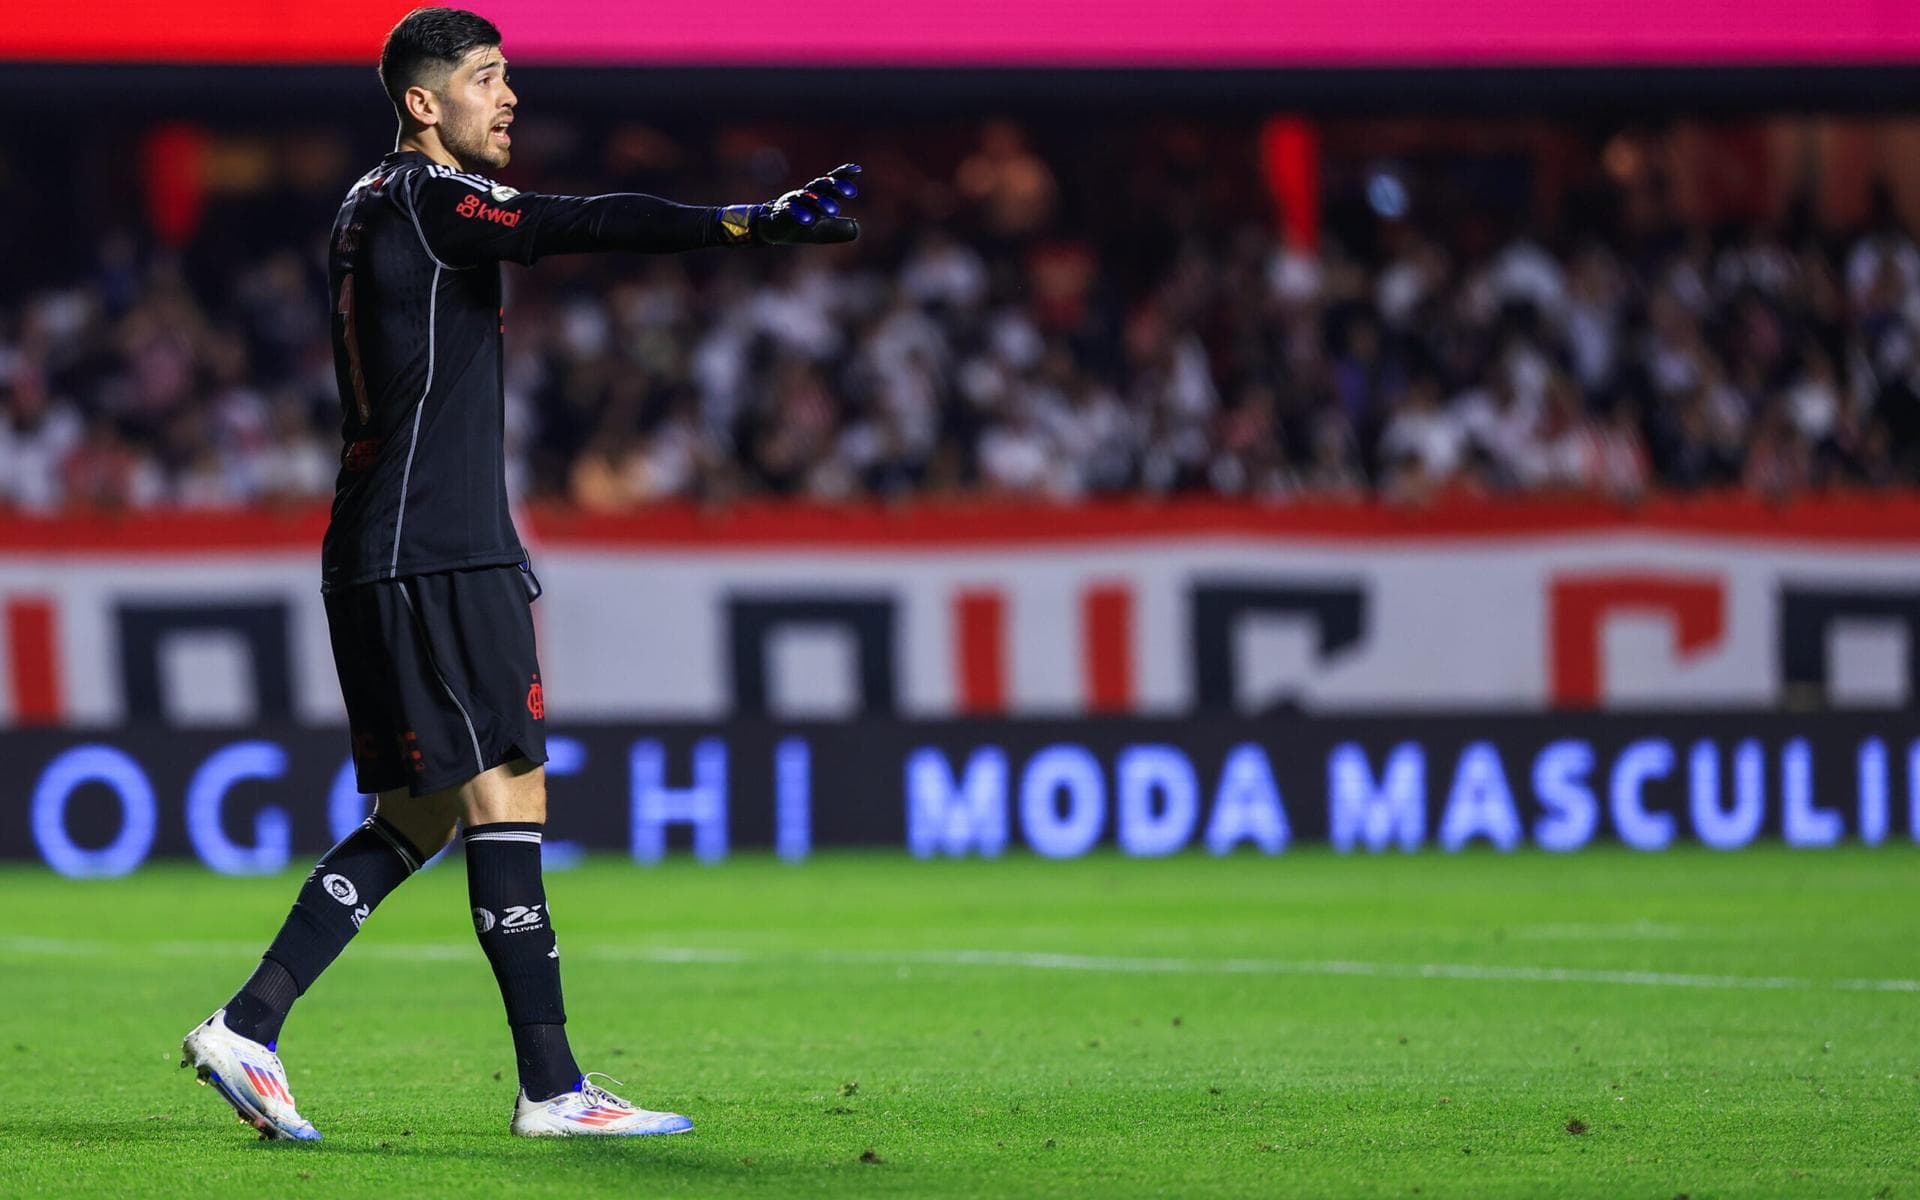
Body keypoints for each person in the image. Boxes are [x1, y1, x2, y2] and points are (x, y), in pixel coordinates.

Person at [178, 6, 860, 1141]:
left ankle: (250, 1023)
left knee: (420, 811)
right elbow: (574, 219)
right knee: (507, 795)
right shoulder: (429, 198)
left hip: (388, 545)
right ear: (421, 102)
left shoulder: (363, 206)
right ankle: (552, 1088)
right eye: (487, 78)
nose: (509, 98)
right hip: (434, 549)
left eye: (509, 77)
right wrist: (745, 225)